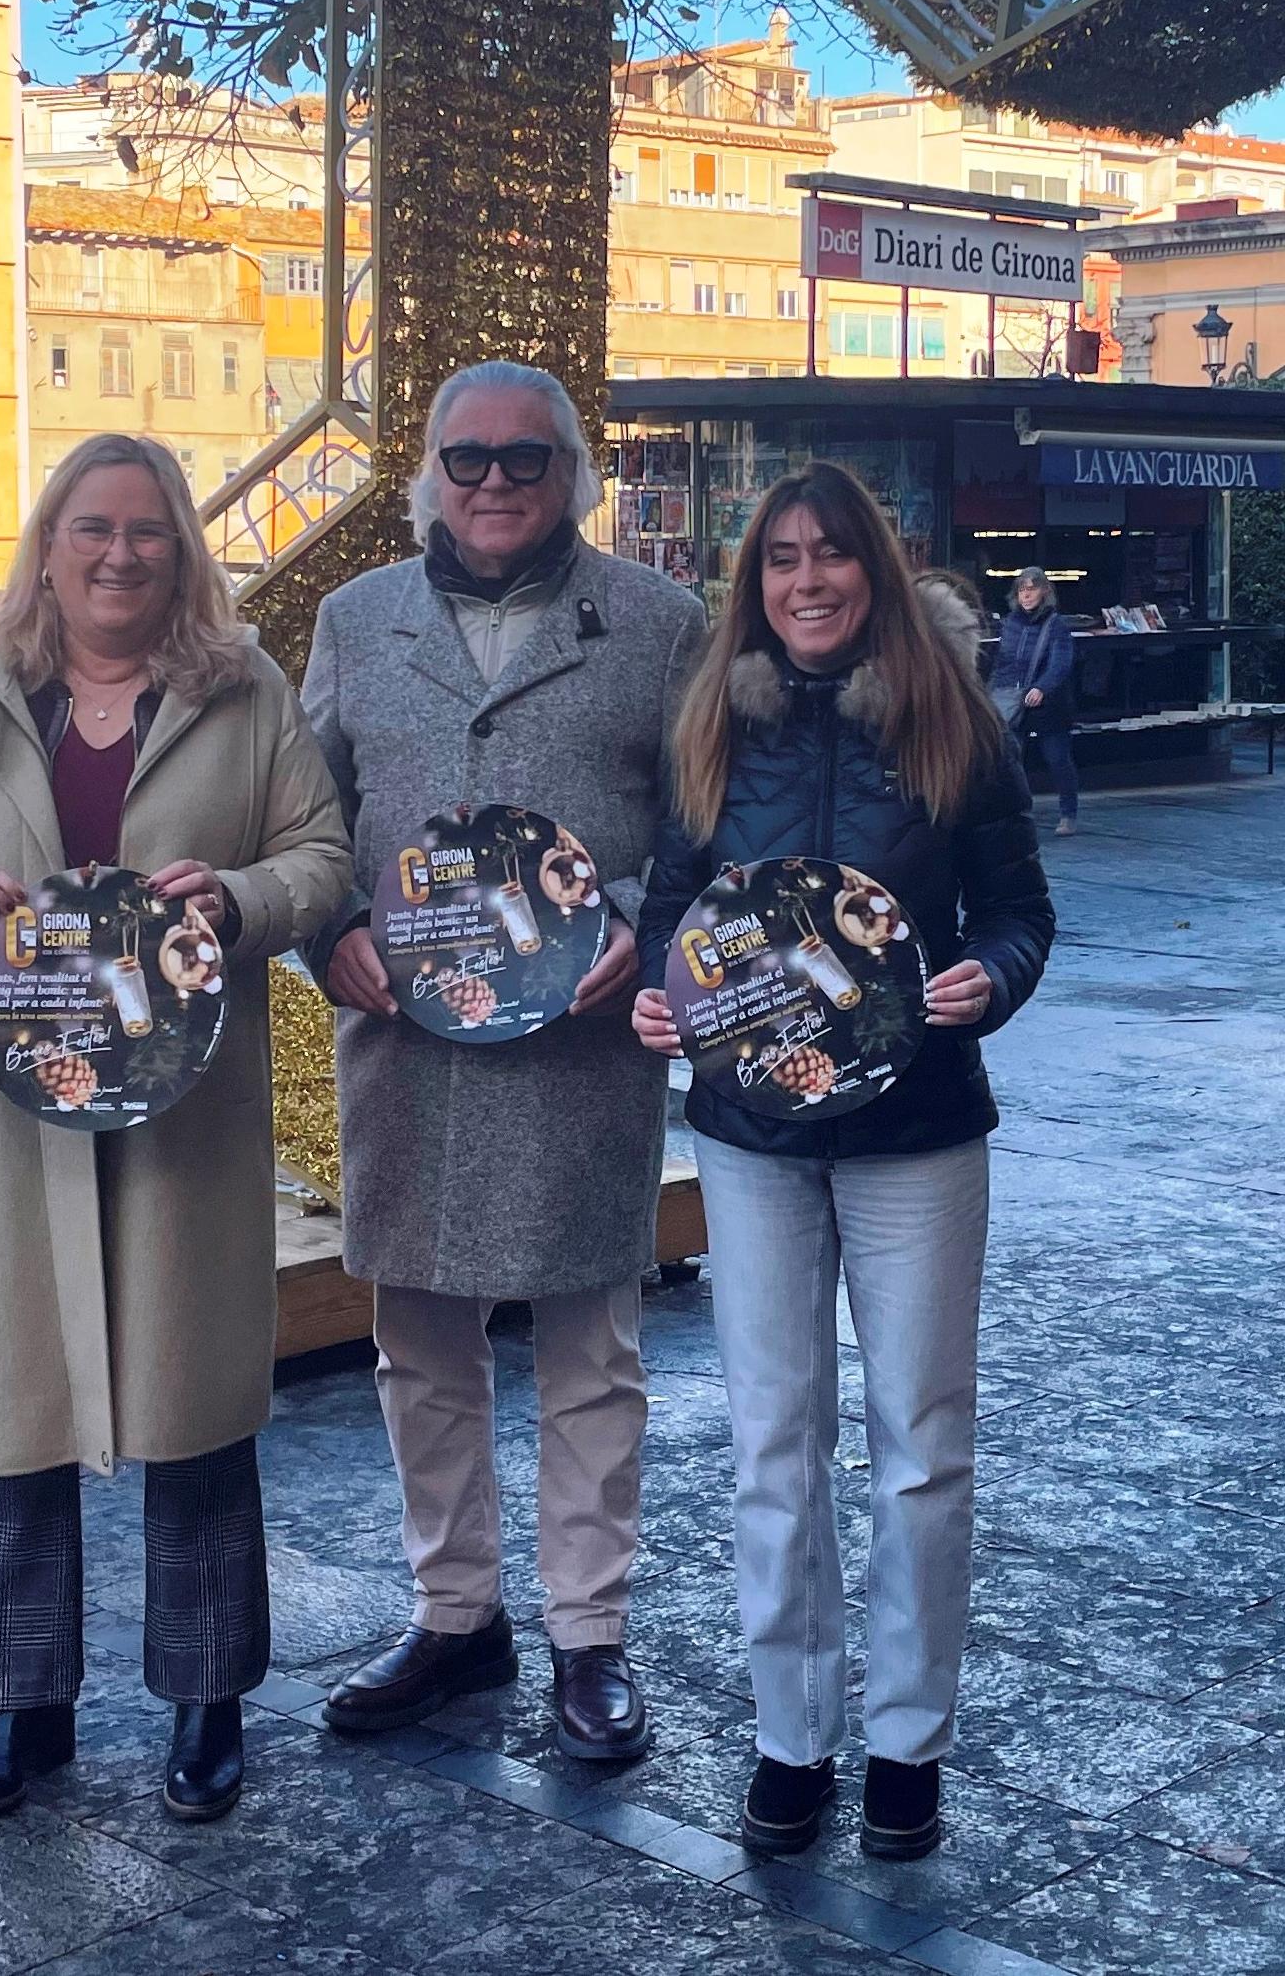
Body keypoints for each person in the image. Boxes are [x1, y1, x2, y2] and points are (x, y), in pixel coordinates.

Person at [0, 432, 351, 1830]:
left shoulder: (243, 690)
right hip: (18, 1105)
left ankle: (206, 1702)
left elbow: (323, 856)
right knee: (16, 1408)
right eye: (92, 528)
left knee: (194, 1408)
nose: (120, 553)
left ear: (183, 550)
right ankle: (23, 1710)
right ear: (48, 544)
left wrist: (240, 899)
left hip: (186, 1102)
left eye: (148, 530)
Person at [633, 462, 1053, 1864]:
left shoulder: (950, 724)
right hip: (751, 1135)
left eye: (832, 556)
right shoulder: (714, 731)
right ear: (758, 586)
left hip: (918, 1131)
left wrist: (987, 980)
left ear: (873, 569)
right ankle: (790, 1735)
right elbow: (674, 912)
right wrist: (656, 990)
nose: (807, 580)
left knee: (923, 1447)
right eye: (782, 561)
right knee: (774, 1440)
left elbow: (1017, 911)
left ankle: (905, 1745)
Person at [303, 362, 706, 1761]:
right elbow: (309, 820)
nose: (491, 485)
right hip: (405, 1041)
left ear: (573, 475)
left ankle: (590, 1639)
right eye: (464, 460)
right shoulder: (353, 622)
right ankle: (455, 1618)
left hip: (582, 1044)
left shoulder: (662, 626)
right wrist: (329, 929)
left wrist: (650, 931)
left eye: (522, 462)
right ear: (426, 470)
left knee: (592, 1352)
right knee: (418, 1347)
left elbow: (714, 834)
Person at [992, 567, 1079, 835]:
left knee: (1057, 759)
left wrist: (1042, 687)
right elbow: (1001, 663)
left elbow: (1061, 663)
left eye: (1031, 589)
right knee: (1010, 761)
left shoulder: (1056, 625)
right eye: (1021, 589)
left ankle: (1068, 814)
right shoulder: (1010, 623)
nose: (1026, 595)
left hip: (1049, 706)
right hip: (1015, 703)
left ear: (1044, 591)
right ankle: (1013, 813)